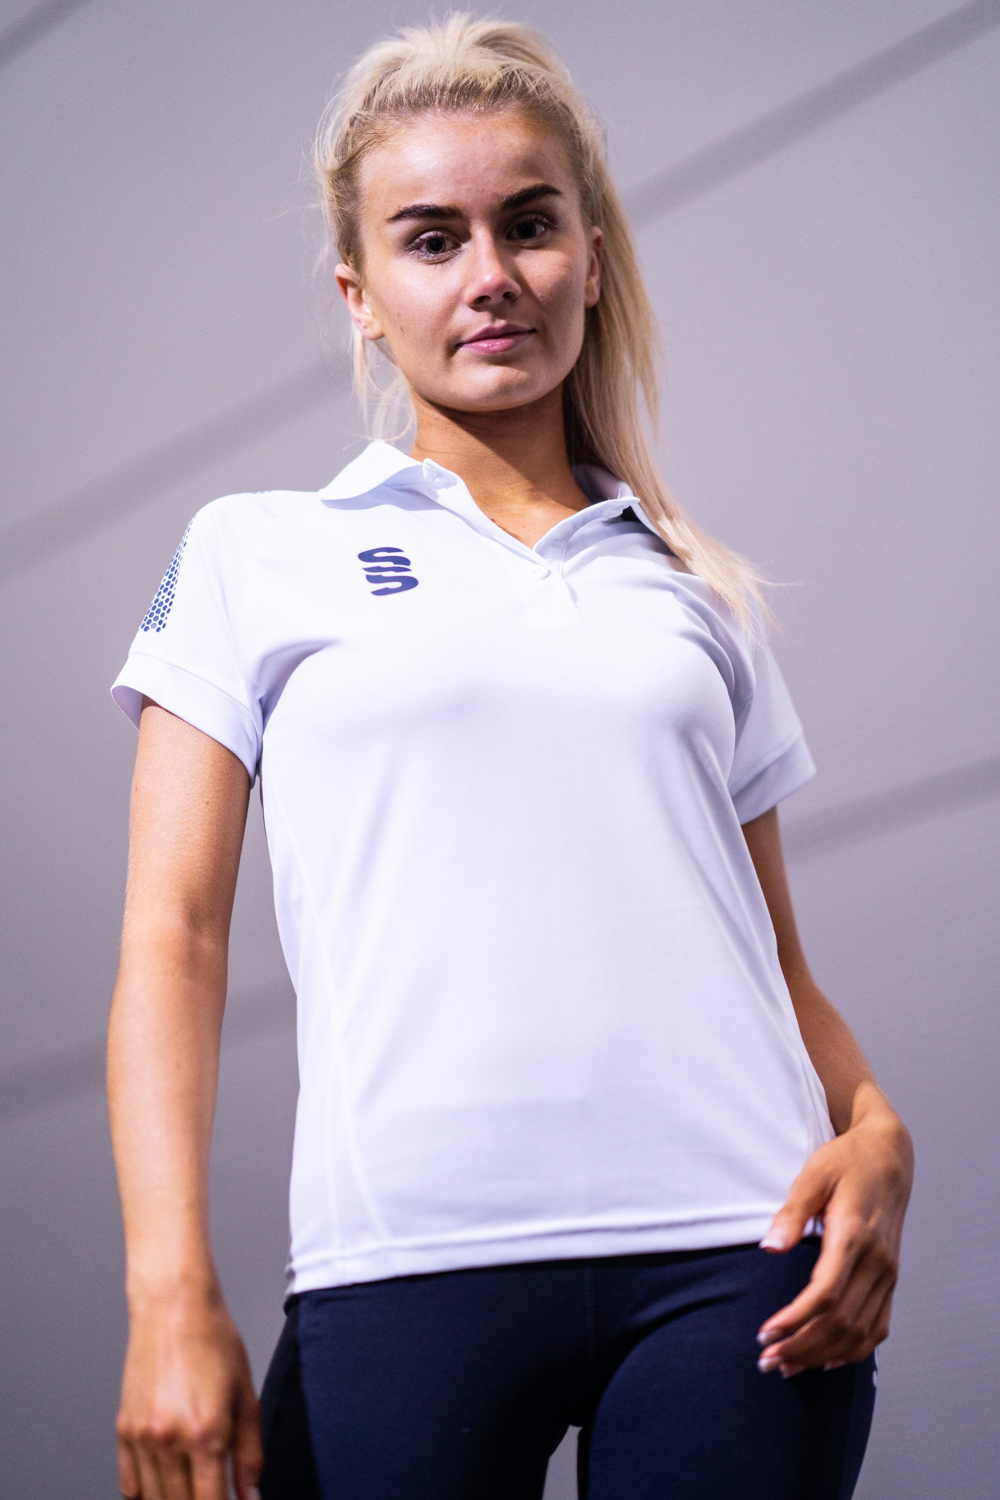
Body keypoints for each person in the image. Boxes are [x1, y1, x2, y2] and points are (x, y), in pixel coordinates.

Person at [107, 16, 913, 1500]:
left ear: (589, 260)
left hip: (742, 1258)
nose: (490, 274)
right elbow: (176, 936)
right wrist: (168, 1293)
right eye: (433, 240)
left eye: (529, 225)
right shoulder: (252, 553)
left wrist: (877, 1130)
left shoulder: (694, 589)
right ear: (360, 295)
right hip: (404, 1263)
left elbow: (775, 959)